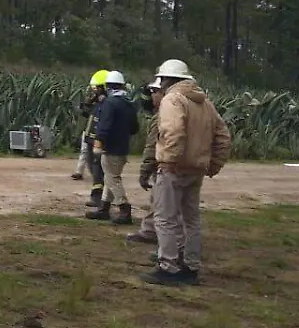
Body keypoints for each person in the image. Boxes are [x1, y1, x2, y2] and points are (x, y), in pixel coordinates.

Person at [141, 59, 232, 286]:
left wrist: (168, 162)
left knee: (165, 219)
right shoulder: (205, 103)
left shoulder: (172, 99)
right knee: (191, 220)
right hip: (197, 170)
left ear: (167, 79)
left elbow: (173, 132)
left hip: (174, 169)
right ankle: (190, 267)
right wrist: (212, 165)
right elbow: (223, 137)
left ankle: (168, 267)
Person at [86, 70, 139, 224]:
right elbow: (134, 128)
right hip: (123, 147)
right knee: (111, 176)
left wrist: (98, 141)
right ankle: (104, 208)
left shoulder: (109, 103)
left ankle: (124, 208)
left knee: (111, 178)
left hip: (111, 147)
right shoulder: (129, 103)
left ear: (108, 86)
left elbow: (104, 125)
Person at [126, 83, 165, 245]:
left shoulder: (163, 116)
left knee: (161, 201)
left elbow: (152, 147)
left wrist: (144, 172)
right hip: (189, 167)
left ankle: (154, 234)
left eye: (154, 92)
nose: (151, 96)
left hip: (166, 166)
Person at [83, 70, 110, 207]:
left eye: (97, 88)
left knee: (98, 169)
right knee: (93, 167)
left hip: (98, 141)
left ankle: (98, 197)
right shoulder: (97, 102)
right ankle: (100, 195)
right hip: (90, 139)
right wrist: (88, 103)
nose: (95, 91)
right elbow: (85, 114)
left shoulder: (108, 104)